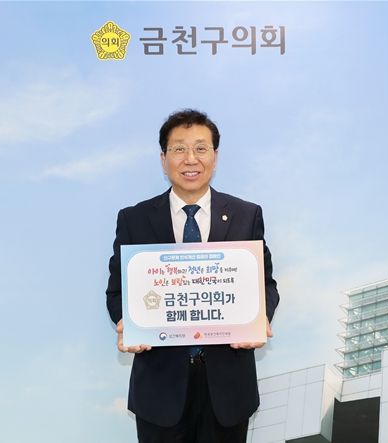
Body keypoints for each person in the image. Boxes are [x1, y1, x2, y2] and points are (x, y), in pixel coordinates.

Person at [106, 109, 279, 443]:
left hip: (229, 388)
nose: (190, 159)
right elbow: (117, 293)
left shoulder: (246, 214)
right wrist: (126, 322)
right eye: (179, 149)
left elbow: (265, 284)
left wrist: (261, 317)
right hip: (159, 389)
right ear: (163, 158)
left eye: (201, 148)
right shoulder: (134, 219)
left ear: (215, 156)